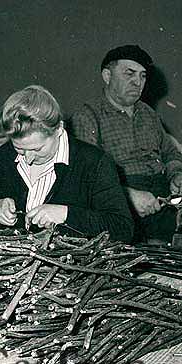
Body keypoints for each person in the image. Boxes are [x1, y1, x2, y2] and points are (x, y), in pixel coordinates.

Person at [0, 85, 134, 242]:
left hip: (71, 259)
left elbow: (123, 228)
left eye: (37, 149)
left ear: (59, 129)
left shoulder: (94, 162)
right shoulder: (4, 155)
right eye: (20, 149)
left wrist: (65, 215)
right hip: (15, 255)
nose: (28, 158)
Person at [70, 45, 182, 243]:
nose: (137, 82)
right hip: (120, 203)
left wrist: (176, 175)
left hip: (163, 199)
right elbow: (86, 178)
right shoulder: (88, 116)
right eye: (129, 73)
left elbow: (170, 152)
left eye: (143, 76)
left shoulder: (148, 114)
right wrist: (127, 196)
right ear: (107, 76)